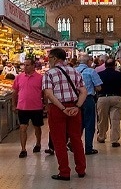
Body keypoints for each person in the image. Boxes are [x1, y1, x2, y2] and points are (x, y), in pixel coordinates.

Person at [42, 48, 87, 181]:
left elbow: (49, 93)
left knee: (59, 141)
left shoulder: (49, 74)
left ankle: (64, 172)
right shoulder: (75, 71)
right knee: (76, 139)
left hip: (57, 109)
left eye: (49, 57)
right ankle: (81, 169)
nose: (48, 60)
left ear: (55, 58)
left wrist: (62, 108)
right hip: (74, 107)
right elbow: (84, 92)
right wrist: (77, 106)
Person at [12, 57, 44, 158]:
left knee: (37, 127)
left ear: (33, 66)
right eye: (24, 65)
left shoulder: (40, 78)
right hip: (22, 107)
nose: (24, 67)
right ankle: (23, 149)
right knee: (23, 128)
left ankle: (38, 143)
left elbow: (44, 93)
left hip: (36, 106)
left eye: (27, 65)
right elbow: (14, 92)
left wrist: (46, 105)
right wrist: (14, 105)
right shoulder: (19, 77)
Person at [74, 53, 103, 154]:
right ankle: (88, 148)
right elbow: (99, 87)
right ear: (88, 62)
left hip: (76, 100)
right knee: (89, 124)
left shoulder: (74, 71)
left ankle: (75, 145)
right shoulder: (91, 71)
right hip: (88, 99)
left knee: (78, 124)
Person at [95, 58, 121, 148]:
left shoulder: (99, 74)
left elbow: (96, 87)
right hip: (116, 97)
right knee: (115, 120)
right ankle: (114, 140)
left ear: (105, 65)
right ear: (114, 65)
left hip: (102, 98)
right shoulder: (119, 74)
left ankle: (102, 137)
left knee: (102, 119)